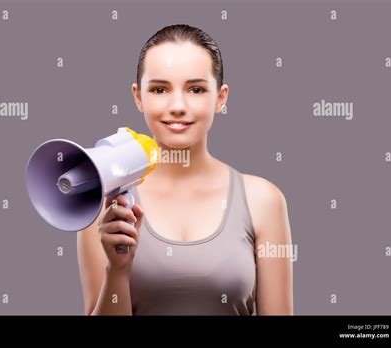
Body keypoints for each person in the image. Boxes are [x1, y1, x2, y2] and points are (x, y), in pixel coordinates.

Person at [77, 24, 293, 315]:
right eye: (159, 89)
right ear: (138, 96)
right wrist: (117, 270)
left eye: (195, 89)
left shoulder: (263, 200)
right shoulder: (102, 205)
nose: (177, 106)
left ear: (221, 98)